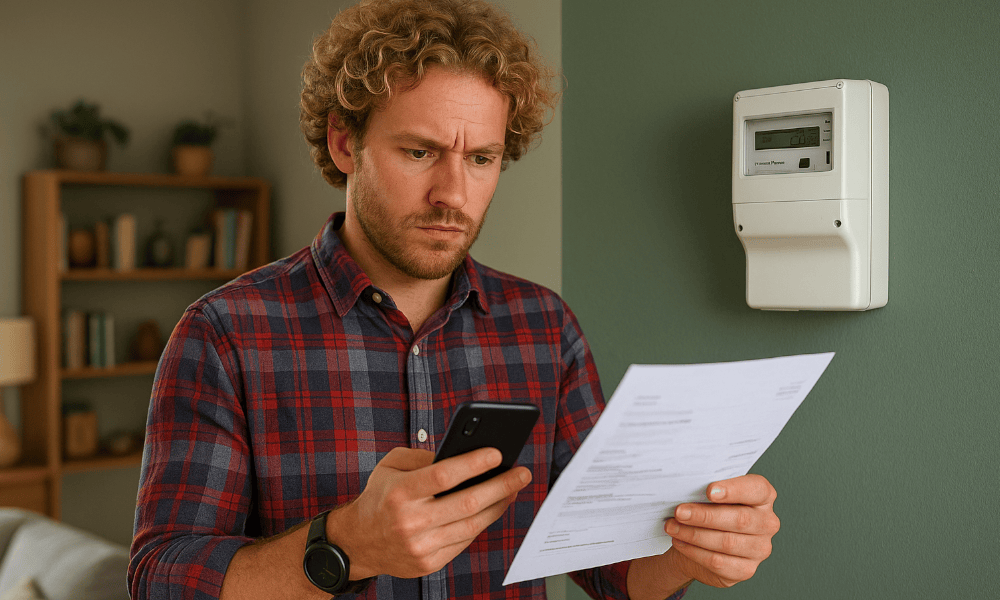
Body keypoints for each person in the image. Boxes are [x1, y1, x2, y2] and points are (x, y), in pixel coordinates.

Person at [127, 0, 780, 598]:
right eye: (420, 151)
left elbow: (612, 571)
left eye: (482, 158)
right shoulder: (224, 334)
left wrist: (693, 550)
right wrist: (347, 545)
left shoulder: (545, 329)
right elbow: (160, 579)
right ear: (343, 142)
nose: (454, 193)